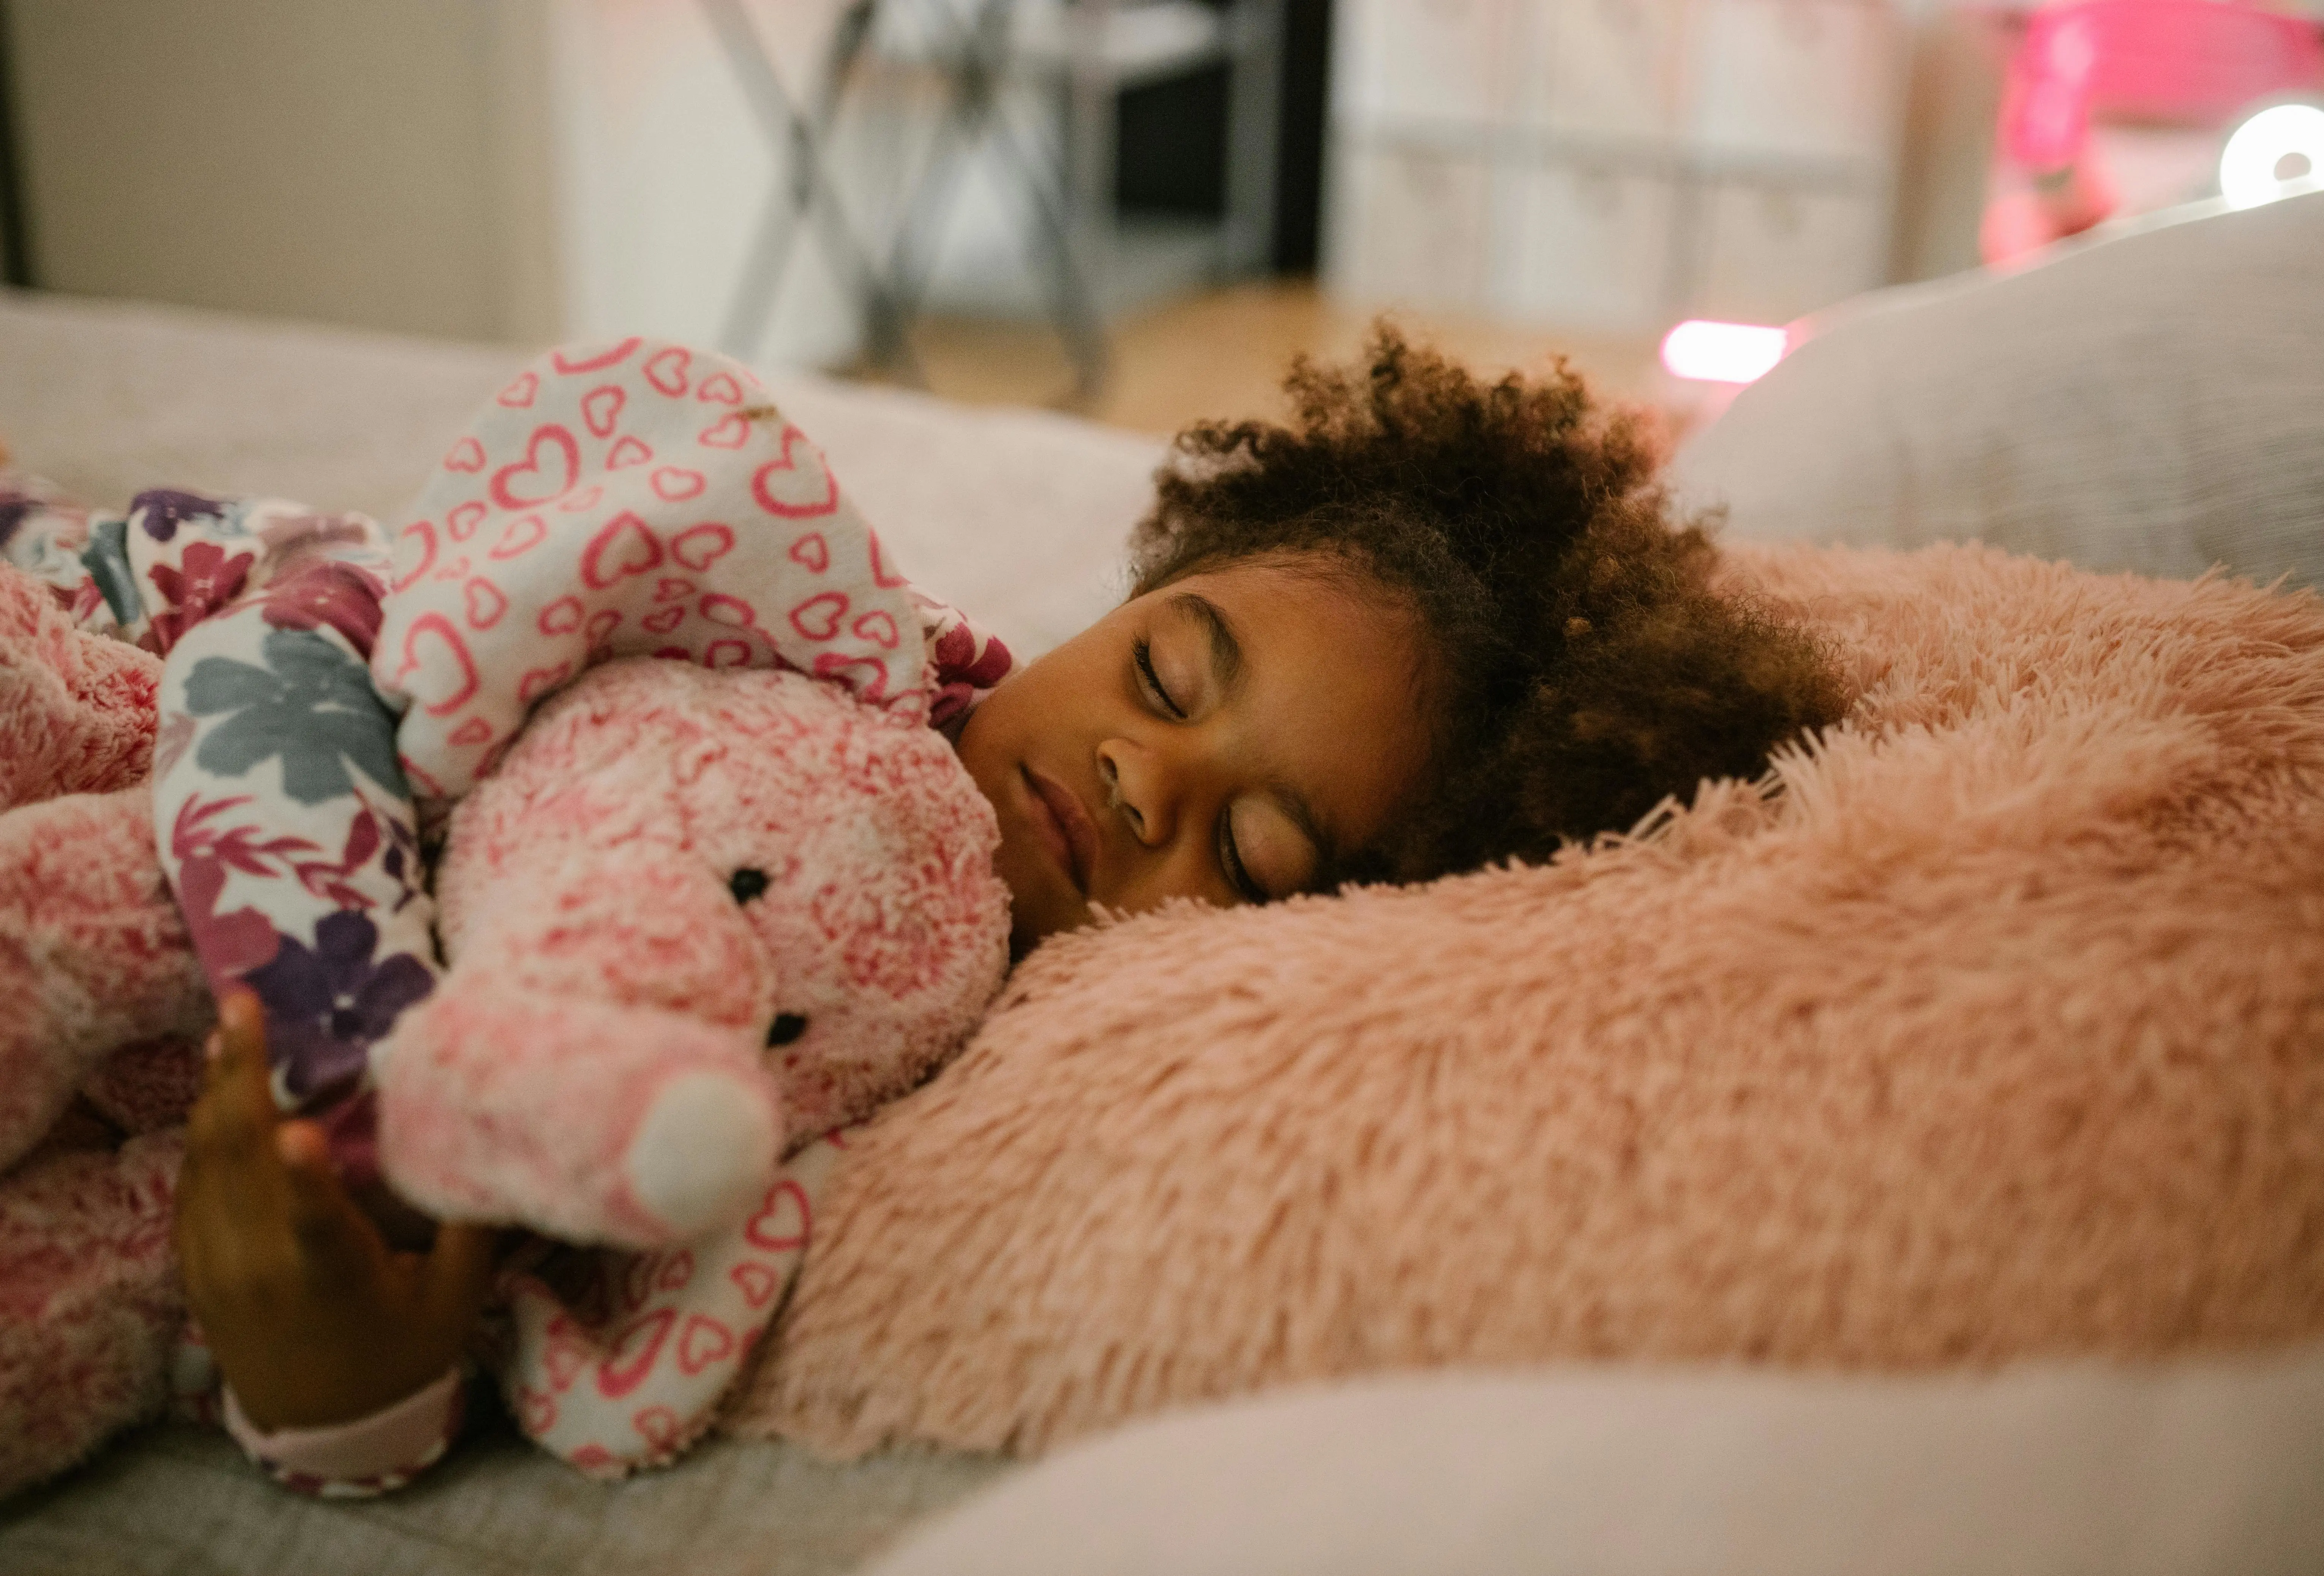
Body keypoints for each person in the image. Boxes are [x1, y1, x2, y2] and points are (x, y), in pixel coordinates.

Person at [60, 326, 1848, 1485]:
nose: (1149, 779)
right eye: (1164, 669)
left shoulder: (896, 1032)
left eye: (1247, 857)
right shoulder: (824, 637)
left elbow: (575, 1259)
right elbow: (381, 608)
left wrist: (348, 1393)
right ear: (1126, 596)